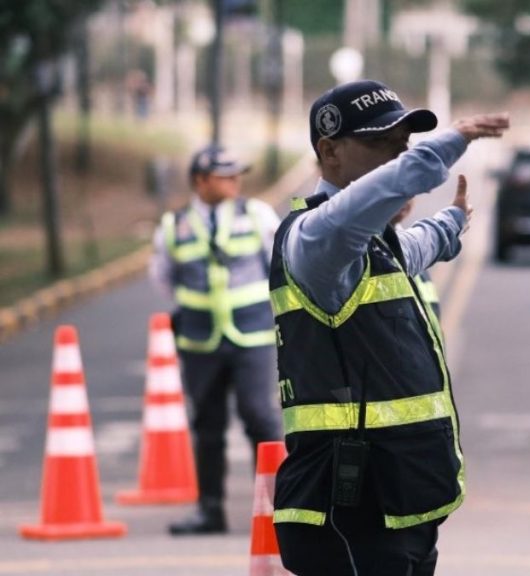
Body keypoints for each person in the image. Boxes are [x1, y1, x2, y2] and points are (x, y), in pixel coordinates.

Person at [269, 79, 509, 575]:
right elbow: (384, 194)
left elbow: (416, 246)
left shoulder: (377, 243)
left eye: (404, 145)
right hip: (348, 509)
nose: (399, 155)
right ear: (329, 151)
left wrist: (452, 223)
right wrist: (449, 143)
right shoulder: (317, 239)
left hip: (400, 505)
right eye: (381, 144)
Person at [149, 144, 283, 535]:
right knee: (207, 425)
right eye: (225, 176)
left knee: (259, 415)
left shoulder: (256, 215)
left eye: (237, 174)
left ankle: (284, 508)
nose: (235, 182)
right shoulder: (173, 226)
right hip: (200, 341)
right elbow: (162, 277)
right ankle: (210, 510)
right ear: (200, 181)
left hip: (252, 337)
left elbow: (278, 263)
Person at [391, 199, 442, 333]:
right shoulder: (365, 252)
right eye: (396, 189)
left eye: (411, 191)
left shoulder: (414, 251)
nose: (405, 198)